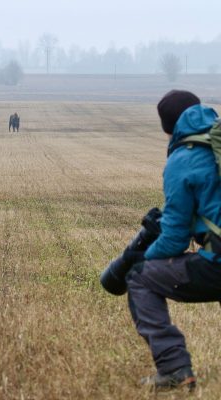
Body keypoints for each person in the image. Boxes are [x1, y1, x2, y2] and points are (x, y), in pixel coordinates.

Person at [125, 90, 221, 391]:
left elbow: (174, 240)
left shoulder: (183, 159)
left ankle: (174, 368)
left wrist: (143, 257)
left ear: (168, 128)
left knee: (140, 278)